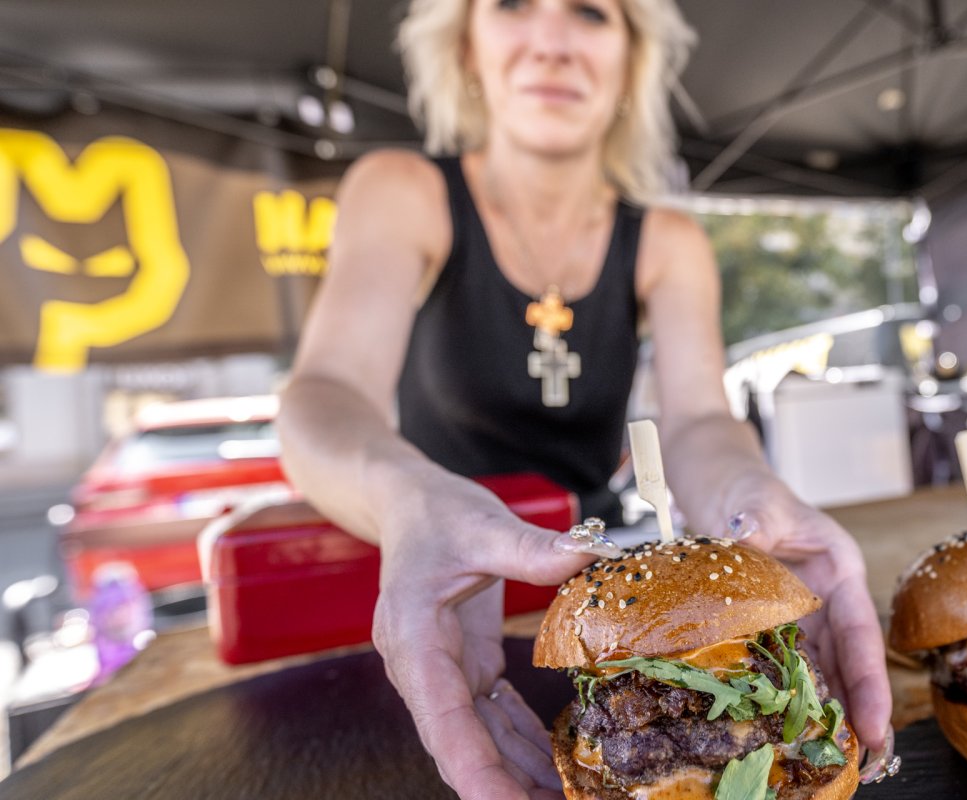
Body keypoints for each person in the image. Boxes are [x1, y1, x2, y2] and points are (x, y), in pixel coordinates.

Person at [274, 0, 893, 796]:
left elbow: (700, 420)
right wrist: (409, 500)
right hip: (437, 608)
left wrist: (750, 494)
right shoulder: (402, 191)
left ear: (633, 58)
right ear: (465, 45)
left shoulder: (668, 241)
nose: (554, 42)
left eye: (592, 12)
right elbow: (321, 397)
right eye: (512, 5)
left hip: (615, 605)